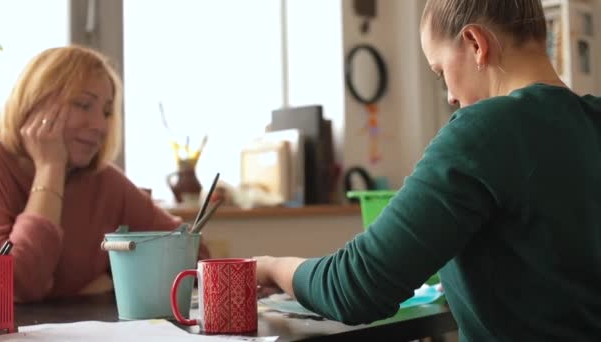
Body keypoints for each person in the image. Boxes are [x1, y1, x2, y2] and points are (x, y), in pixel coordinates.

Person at [255, 0, 601, 340]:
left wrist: (270, 267)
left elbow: (354, 287)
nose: (450, 96)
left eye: (440, 71)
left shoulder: (483, 130)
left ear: (476, 43)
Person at [0, 45, 210, 303]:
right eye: (83, 104)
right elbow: (13, 286)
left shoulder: (105, 182)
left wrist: (119, 276)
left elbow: (191, 254)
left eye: (106, 112)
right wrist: (50, 168)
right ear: (36, 103)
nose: (100, 125)